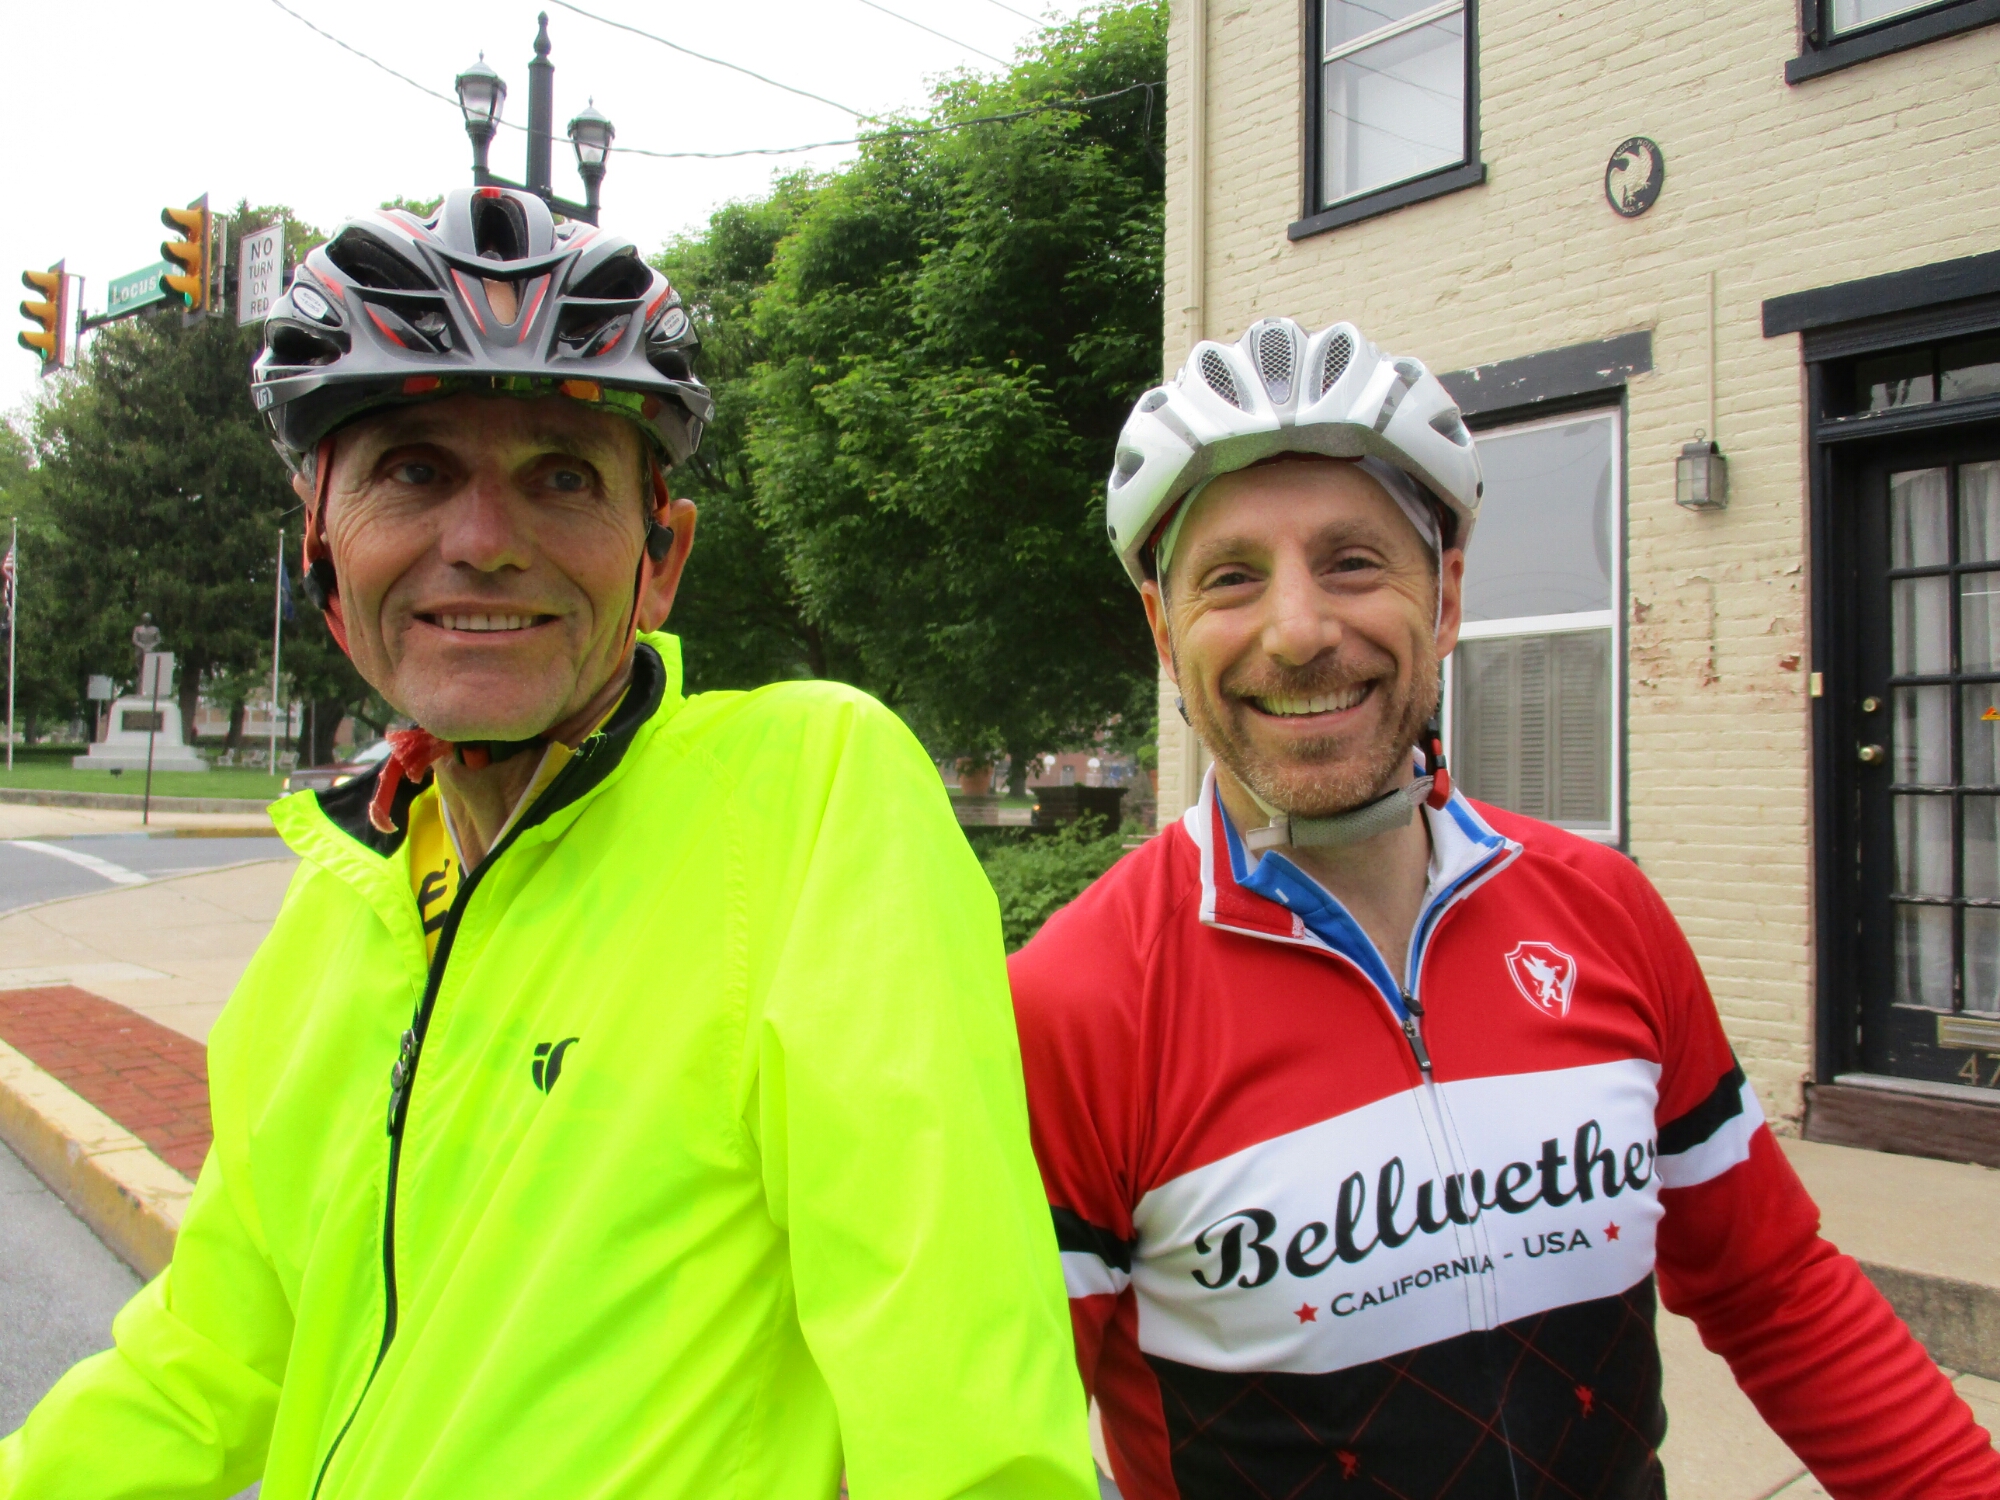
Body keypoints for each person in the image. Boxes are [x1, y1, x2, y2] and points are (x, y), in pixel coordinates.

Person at [0, 188, 1096, 1500]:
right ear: (321, 552)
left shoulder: (805, 796)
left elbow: (961, 1397)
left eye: (563, 477)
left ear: (660, 557)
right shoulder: (336, 913)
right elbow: (207, 1360)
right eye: (415, 470)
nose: (482, 544)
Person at [1008, 317, 2000, 1499]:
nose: (1298, 630)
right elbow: (997, 1433)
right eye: (1229, 577)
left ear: (1445, 594)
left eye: (1352, 561)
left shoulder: (1601, 909)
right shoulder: (1073, 1003)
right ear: (1164, 633)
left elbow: (1774, 1290)